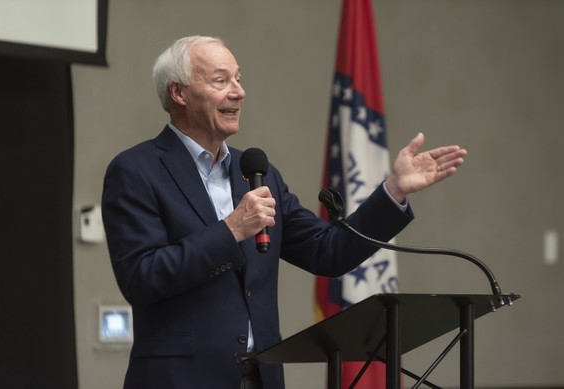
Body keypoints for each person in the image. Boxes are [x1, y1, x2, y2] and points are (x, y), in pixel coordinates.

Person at [101, 35, 467, 389]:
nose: (238, 91)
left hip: (262, 377)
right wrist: (230, 230)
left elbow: (329, 252)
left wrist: (394, 190)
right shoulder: (137, 170)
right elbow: (141, 277)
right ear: (178, 93)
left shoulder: (256, 172)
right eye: (221, 80)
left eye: (239, 79)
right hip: (180, 381)